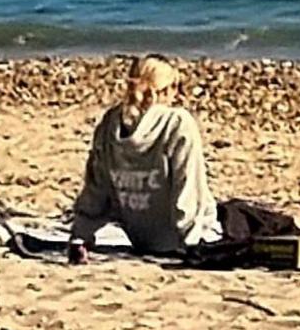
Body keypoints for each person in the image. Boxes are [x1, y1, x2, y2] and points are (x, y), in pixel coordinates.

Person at [68, 54, 224, 257]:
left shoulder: (110, 124)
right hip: (181, 238)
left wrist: (81, 235)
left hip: (142, 237)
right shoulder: (176, 124)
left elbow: (95, 191)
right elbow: (186, 190)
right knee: (248, 217)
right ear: (166, 90)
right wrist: (192, 244)